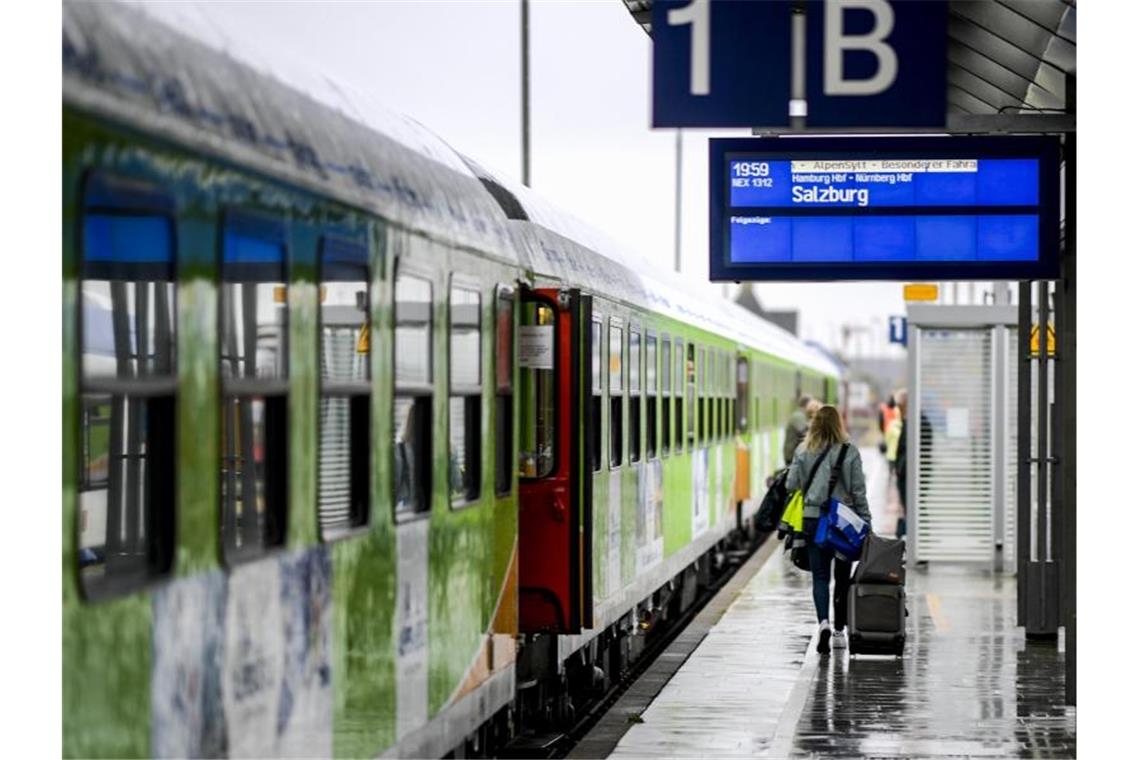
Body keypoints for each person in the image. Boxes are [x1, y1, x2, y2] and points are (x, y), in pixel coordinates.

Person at [786, 404, 872, 654]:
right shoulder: (850, 452)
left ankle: (823, 622)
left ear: (814, 424)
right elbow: (859, 492)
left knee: (820, 577)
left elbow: (791, 484)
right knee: (842, 578)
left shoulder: (803, 450)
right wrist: (867, 524)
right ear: (838, 424)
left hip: (814, 521)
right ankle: (839, 632)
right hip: (843, 525)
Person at [782, 395, 813, 465]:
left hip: (794, 454)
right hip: (792, 455)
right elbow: (805, 432)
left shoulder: (801, 415)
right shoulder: (798, 416)